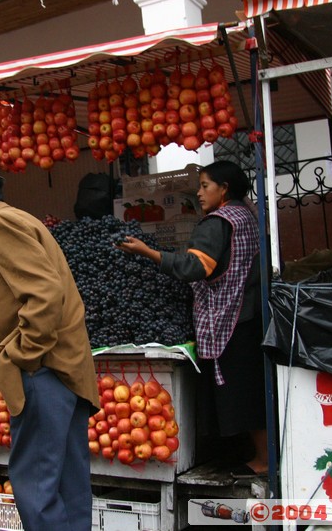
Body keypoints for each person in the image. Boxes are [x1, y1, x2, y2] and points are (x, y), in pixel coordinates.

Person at [0, 157, 99, 531]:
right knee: (70, 487)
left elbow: (44, 297)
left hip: (44, 374)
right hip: (61, 373)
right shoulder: (16, 221)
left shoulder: (2, 224)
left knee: (37, 490)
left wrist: (18, 357)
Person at [117, 160, 268, 476]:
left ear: (223, 189)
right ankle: (256, 455)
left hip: (227, 317)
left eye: (204, 186)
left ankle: (264, 461)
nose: (199, 193)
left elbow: (194, 267)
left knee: (241, 392)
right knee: (250, 388)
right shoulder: (247, 214)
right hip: (249, 311)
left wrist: (148, 253)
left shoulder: (217, 223)